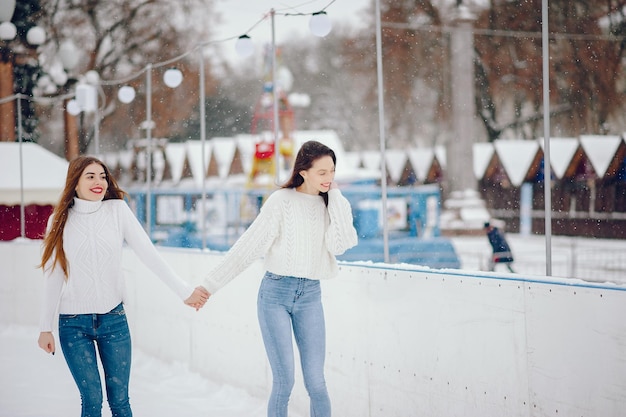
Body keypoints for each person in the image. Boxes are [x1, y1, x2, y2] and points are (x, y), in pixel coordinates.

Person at [37, 155, 209, 417]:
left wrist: (184, 292)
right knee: (92, 400)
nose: (99, 182)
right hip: (73, 324)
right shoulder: (59, 220)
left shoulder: (117, 211)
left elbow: (149, 255)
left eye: (103, 176)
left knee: (119, 401)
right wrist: (44, 328)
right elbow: (53, 276)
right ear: (75, 182)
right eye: (90, 176)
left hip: (113, 321)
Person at [200, 140, 358, 417]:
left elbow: (340, 245)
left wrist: (337, 200)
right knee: (285, 382)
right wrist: (208, 286)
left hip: (310, 296)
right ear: (303, 171)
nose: (329, 178)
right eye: (322, 172)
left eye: (332, 171)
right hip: (275, 295)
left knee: (317, 383)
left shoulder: (331, 203)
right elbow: (248, 247)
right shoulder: (281, 202)